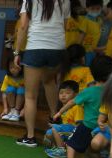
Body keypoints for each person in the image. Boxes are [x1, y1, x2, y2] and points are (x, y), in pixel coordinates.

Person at [13, 0, 70, 148]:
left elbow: (23, 25)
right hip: (57, 48)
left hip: (35, 47)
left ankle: (30, 137)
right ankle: (54, 119)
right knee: (50, 82)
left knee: (30, 95)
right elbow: (65, 26)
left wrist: (17, 52)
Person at [51, 55, 112, 158]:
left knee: (71, 143)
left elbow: (72, 102)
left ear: (92, 72)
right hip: (106, 126)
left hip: (88, 126)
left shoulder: (89, 91)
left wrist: (59, 112)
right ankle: (107, 152)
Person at [44, 80, 82, 158]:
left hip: (74, 132)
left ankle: (62, 151)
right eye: (61, 93)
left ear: (76, 95)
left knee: (55, 128)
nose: (63, 95)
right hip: (65, 130)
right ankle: (55, 148)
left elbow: (79, 124)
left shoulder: (77, 107)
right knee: (48, 133)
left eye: (67, 93)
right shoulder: (63, 107)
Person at [0, 56, 25, 121]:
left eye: (16, 67)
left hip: (22, 98)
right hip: (11, 100)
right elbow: (4, 93)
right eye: (11, 67)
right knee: (9, 89)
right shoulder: (7, 77)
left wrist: (25, 109)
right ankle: (12, 111)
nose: (13, 69)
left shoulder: (25, 78)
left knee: (21, 89)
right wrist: (5, 108)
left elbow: (29, 95)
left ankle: (16, 112)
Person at [83, 0, 104, 65]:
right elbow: (80, 36)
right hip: (86, 51)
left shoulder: (99, 19)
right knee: (87, 68)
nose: (95, 11)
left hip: (95, 50)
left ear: (101, 8)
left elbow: (101, 32)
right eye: (92, 8)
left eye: (98, 8)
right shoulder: (85, 20)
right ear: (87, 9)